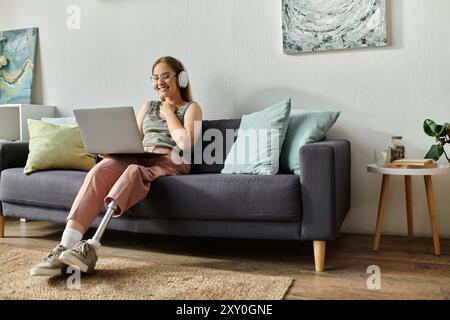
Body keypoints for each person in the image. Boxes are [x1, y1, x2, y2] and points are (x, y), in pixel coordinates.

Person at [30, 56, 203, 276]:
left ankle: (90, 247)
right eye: (155, 77)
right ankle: (64, 247)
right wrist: (115, 149)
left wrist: (169, 113)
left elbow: (186, 143)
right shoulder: (148, 106)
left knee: (133, 172)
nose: (159, 82)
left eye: (165, 76)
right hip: (139, 155)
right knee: (101, 169)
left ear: (182, 78)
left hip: (170, 159)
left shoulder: (191, 108)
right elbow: (134, 139)